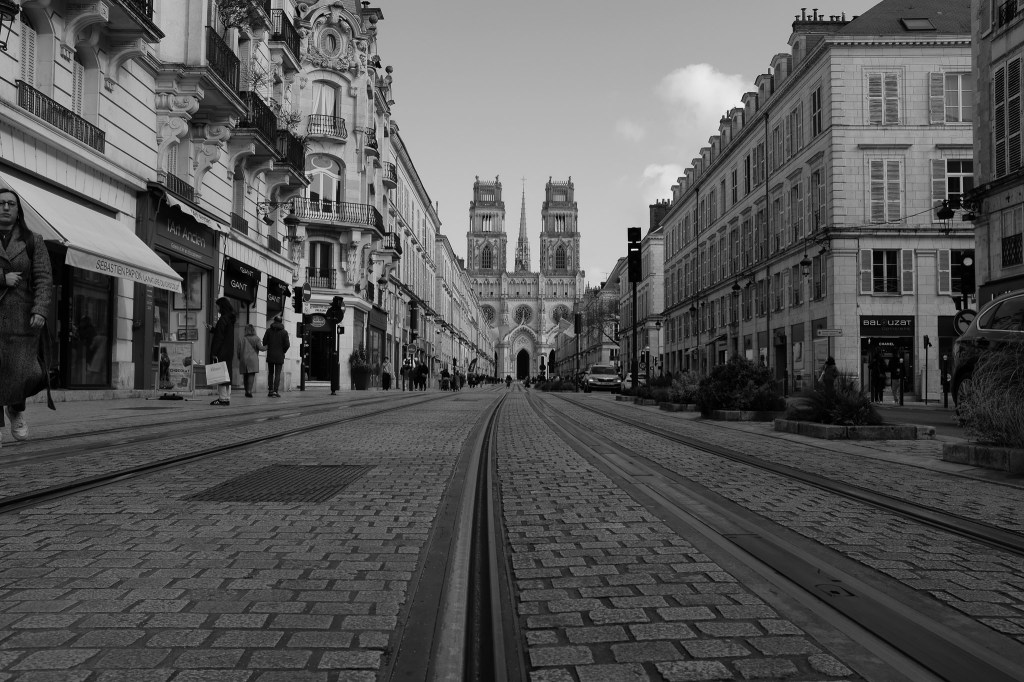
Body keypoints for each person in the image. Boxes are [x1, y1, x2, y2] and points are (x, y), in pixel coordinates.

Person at [0, 189, 53, 445]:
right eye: (1, 203)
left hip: (22, 321)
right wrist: (2, 278)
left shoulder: (34, 241)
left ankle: (16, 409)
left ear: (18, 210)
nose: (5, 207)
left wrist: (40, 309)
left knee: (25, 372)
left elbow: (44, 278)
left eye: (10, 203)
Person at [208, 296, 236, 405]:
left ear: (222, 306)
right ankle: (227, 397)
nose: (217, 308)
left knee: (221, 375)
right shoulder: (230, 319)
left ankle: (222, 398)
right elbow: (224, 334)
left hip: (221, 351)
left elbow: (219, 338)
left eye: (217, 306)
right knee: (227, 375)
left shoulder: (223, 319)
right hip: (228, 350)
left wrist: (214, 352)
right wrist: (213, 329)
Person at [262, 315, 290, 398]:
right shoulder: (284, 332)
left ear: (274, 321)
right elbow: (287, 345)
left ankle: (270, 390)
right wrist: (283, 351)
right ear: (281, 322)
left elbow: (264, 342)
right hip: (279, 355)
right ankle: (275, 391)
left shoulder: (268, 331)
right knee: (277, 374)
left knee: (270, 373)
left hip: (270, 354)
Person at [237, 323, 266, 397]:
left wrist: (240, 358)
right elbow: (261, 348)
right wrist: (268, 346)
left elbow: (238, 351)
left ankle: (246, 391)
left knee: (245, 375)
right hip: (253, 359)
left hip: (243, 359)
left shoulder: (242, 339)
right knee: (251, 375)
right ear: (253, 330)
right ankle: (249, 391)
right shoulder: (256, 338)